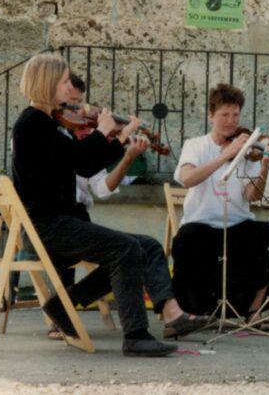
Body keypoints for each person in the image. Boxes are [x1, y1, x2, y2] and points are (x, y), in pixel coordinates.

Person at [12, 54, 201, 357]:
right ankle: (136, 335)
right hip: (49, 226)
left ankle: (62, 305)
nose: (68, 87)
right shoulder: (33, 123)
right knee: (125, 248)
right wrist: (104, 132)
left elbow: (84, 166)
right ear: (47, 83)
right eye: (63, 81)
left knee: (139, 247)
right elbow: (81, 160)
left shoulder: (43, 122)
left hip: (60, 223)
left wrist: (119, 138)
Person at [172, 83, 269, 322]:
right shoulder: (196, 145)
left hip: (237, 223)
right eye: (224, 114)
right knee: (186, 240)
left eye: (235, 115)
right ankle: (192, 313)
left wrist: (264, 168)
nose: (231, 121)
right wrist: (225, 155)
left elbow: (252, 195)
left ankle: (255, 311)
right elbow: (187, 179)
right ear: (211, 115)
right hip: (202, 224)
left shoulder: (246, 151)